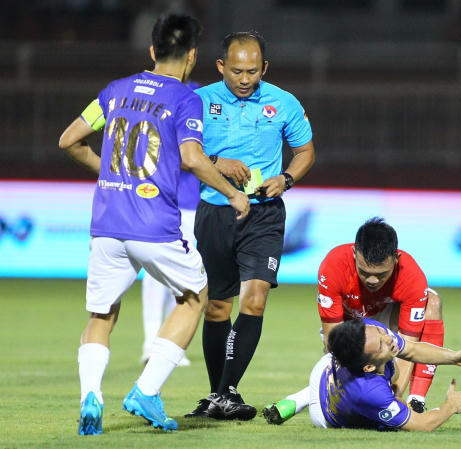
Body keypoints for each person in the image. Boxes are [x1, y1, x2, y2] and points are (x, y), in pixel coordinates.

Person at [57, 14, 250, 435]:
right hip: (152, 225)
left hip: (106, 225)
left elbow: (68, 140)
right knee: (195, 295)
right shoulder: (185, 98)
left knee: (102, 314)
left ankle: (91, 395)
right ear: (192, 55)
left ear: (152, 50)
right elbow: (192, 157)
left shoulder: (114, 91)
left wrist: (111, 172)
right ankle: (146, 390)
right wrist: (233, 193)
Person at [184, 30, 315, 421]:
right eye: (237, 71)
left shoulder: (284, 102)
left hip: (264, 214)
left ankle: (225, 392)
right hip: (215, 212)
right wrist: (216, 162)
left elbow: (305, 152)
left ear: (265, 68)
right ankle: (219, 395)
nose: (244, 79)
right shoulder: (198, 101)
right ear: (221, 66)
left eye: (252, 71)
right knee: (217, 307)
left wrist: (286, 179)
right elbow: (179, 152)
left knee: (254, 299)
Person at [264, 217, 445, 421]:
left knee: (432, 302)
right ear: (354, 254)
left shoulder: (411, 275)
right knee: (351, 366)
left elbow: (408, 348)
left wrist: (396, 397)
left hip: (386, 318)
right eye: (364, 272)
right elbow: (332, 343)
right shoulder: (334, 265)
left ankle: (416, 401)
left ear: (396, 259)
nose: (372, 280)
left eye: (382, 274)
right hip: (350, 326)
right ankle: (298, 401)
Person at [263, 319, 461, 431]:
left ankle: (291, 403)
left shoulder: (368, 333)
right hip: (323, 413)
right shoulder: (370, 392)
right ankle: (298, 402)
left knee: (394, 376)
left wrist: (455, 357)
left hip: (323, 369)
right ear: (368, 368)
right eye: (382, 345)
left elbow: (412, 349)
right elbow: (422, 425)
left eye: (381, 334)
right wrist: (450, 406)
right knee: (395, 419)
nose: (389, 339)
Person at [140, 170, 198, 367]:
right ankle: (151, 342)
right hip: (163, 201)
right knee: (156, 275)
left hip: (199, 205)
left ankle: (170, 343)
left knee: (183, 276)